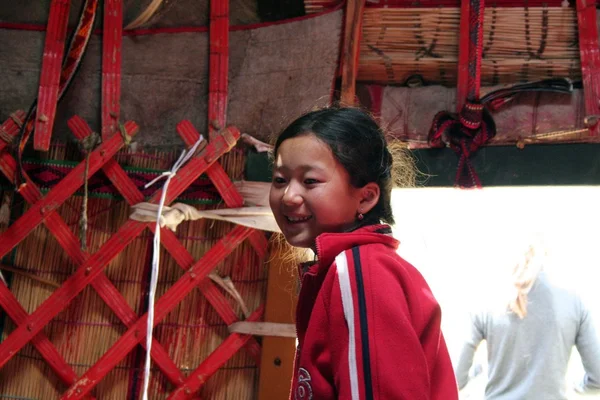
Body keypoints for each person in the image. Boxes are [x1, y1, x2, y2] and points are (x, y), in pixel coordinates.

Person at [269, 106, 459, 400]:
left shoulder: (360, 272)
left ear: (366, 197)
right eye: (280, 180)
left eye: (310, 181)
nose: (288, 196)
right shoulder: (358, 267)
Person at [454, 239, 600, 399]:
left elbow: (456, 379)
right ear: (545, 253)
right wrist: (575, 387)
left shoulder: (486, 303)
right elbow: (597, 378)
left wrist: (478, 372)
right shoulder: (573, 303)